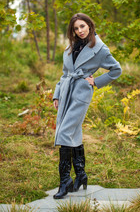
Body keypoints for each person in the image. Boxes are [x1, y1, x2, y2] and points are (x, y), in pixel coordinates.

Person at [52, 13, 122, 199]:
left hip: (81, 93)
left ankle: (65, 180)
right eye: (76, 28)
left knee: (65, 132)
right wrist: (56, 95)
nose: (80, 31)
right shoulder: (70, 47)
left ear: (90, 25)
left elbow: (116, 70)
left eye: (82, 26)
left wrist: (96, 81)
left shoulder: (100, 49)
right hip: (66, 92)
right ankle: (81, 175)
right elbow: (64, 74)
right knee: (74, 132)